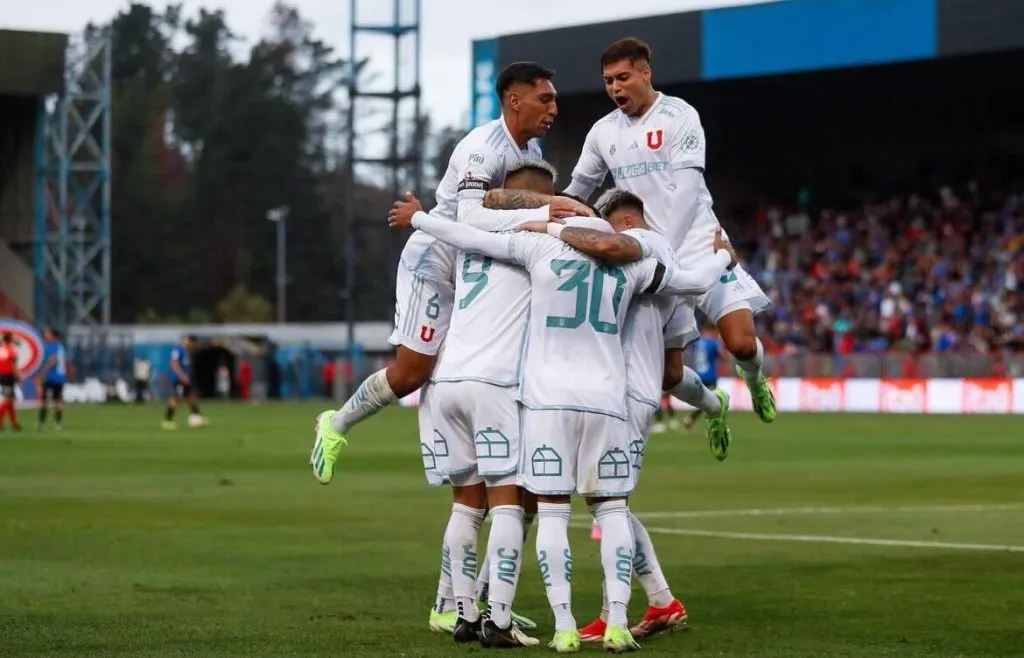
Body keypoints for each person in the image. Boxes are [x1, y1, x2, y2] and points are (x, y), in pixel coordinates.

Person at [309, 61, 591, 638]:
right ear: (514, 101)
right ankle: (335, 423)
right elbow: (464, 215)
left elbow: (499, 210)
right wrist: (546, 214)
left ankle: (458, 603)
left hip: (474, 265)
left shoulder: (519, 156)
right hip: (436, 261)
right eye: (545, 98)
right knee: (414, 372)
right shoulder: (480, 145)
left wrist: (547, 209)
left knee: (478, 487)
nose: (554, 107)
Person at [388, 188, 735, 652]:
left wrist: (421, 219)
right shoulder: (634, 263)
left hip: (547, 401)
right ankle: (615, 622)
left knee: (552, 513)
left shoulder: (541, 247)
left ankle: (565, 627)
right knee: (612, 511)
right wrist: (722, 260)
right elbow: (694, 282)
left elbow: (468, 236)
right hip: (608, 399)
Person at [482, 36, 777, 424]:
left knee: (740, 343)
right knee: (667, 375)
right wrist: (530, 209)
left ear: (645, 72)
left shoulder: (679, 116)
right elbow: (577, 192)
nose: (615, 88)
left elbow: (688, 193)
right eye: (608, 81)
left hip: (697, 241)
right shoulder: (604, 131)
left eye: (622, 77)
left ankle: (755, 377)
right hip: (646, 252)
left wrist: (664, 249)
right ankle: (712, 405)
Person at [520, 188, 731, 641]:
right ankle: (651, 602)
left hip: (624, 391)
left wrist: (550, 227)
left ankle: (655, 602)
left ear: (623, 224)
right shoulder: (661, 260)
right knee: (605, 502)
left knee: (608, 502)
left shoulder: (641, 247)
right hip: (626, 390)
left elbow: (611, 249)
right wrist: (711, 403)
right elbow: (673, 369)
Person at [683, 325, 721, 433]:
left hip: (698, 375)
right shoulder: (713, 343)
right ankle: (710, 425)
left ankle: (691, 420)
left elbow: (691, 352)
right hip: (710, 376)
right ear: (712, 330)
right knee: (712, 401)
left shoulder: (697, 342)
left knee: (706, 401)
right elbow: (720, 356)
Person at [162, 335, 203, 429]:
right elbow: (174, 363)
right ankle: (168, 420)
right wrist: (182, 376)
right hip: (179, 379)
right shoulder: (177, 349)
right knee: (176, 398)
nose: (192, 347)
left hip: (185, 379)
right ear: (189, 341)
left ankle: (197, 416)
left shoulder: (186, 351)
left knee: (191, 397)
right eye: (193, 344)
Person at [38, 328, 67, 430]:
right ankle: (57, 423)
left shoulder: (53, 347)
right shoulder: (60, 346)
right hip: (60, 377)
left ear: (53, 336)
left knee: (45, 401)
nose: (46, 335)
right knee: (57, 401)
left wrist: (42, 373)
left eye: (48, 334)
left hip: (52, 377)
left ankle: (42, 423)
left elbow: (52, 361)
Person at [0, 332, 21, 431]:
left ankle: (14, 423)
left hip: (2, 375)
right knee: (7, 399)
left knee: (10, 400)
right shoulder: (11, 349)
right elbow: (14, 364)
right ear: (10, 339)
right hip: (8, 376)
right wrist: (18, 375)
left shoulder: (1, 348)